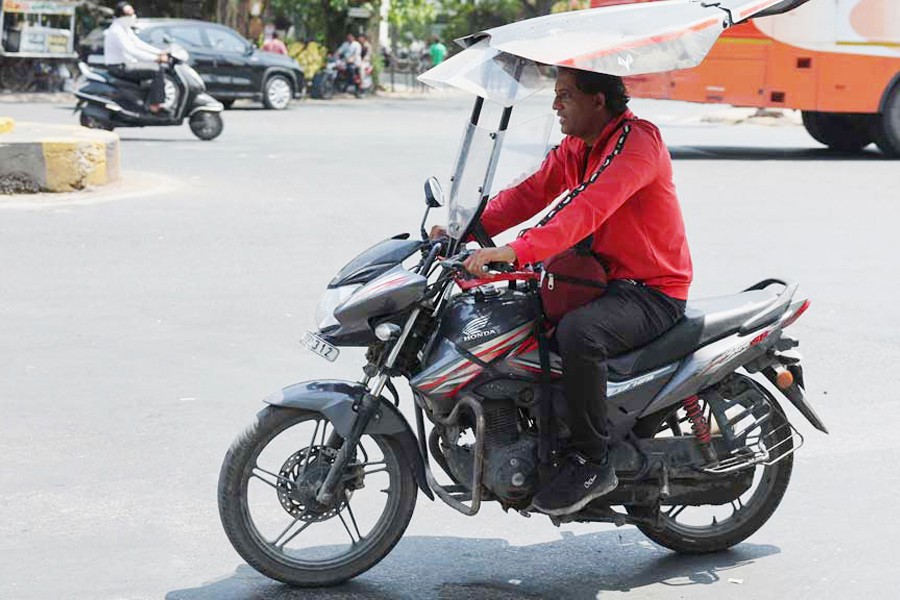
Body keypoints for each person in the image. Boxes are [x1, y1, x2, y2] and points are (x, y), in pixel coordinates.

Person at [437, 68, 692, 516]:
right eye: (556, 95)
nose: (556, 105)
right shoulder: (577, 146)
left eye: (565, 95)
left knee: (579, 333)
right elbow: (528, 194)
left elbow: (587, 209)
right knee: (515, 316)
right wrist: (464, 230)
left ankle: (592, 460)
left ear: (598, 100)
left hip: (649, 291)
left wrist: (515, 250)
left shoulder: (636, 142)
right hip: (599, 282)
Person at [103, 1, 169, 114]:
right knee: (157, 70)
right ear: (120, 16)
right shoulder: (116, 31)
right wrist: (155, 59)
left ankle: (145, 101)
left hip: (126, 64)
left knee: (154, 68)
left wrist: (160, 52)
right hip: (118, 67)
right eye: (129, 13)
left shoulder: (125, 28)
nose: (133, 16)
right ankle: (154, 106)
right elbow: (131, 50)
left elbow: (138, 44)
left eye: (133, 13)